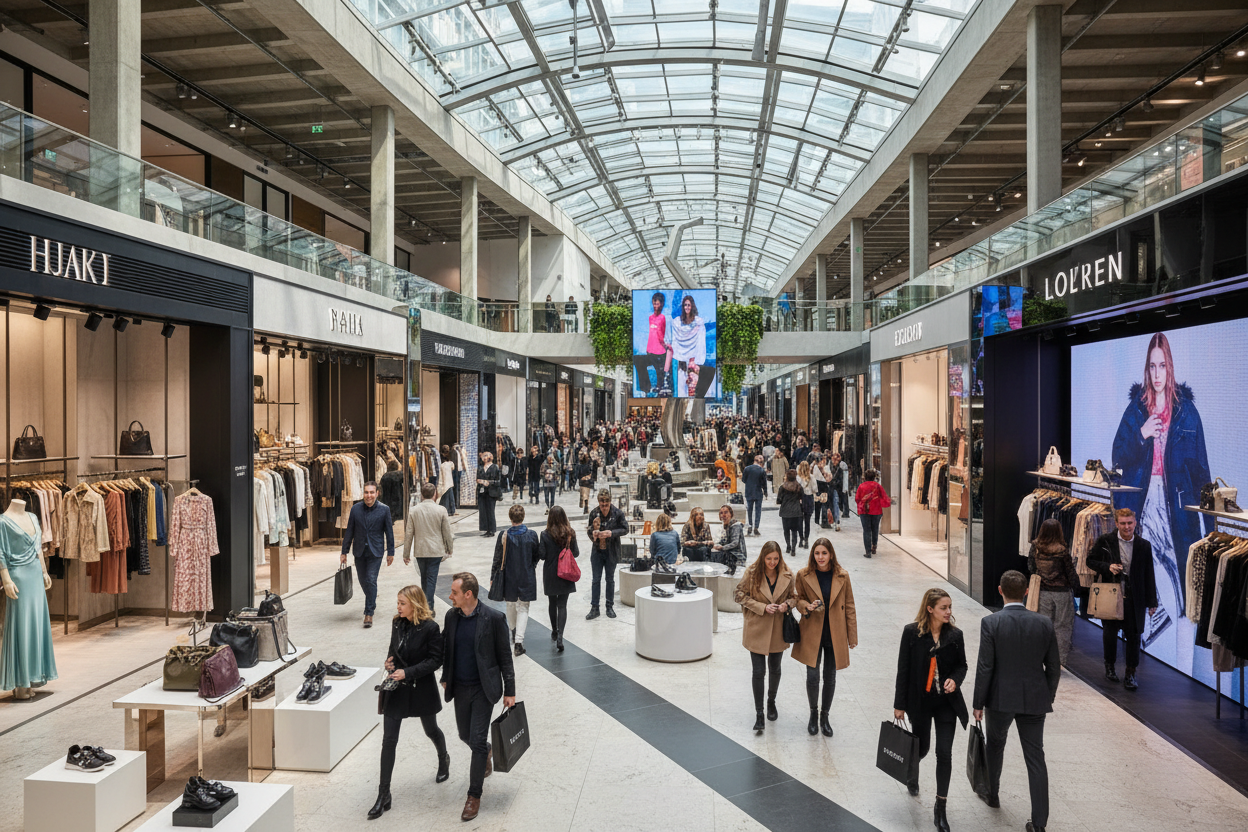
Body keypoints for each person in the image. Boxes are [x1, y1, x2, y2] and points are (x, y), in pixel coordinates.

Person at [1111, 331, 1209, 651]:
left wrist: (1211, 531)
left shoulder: (1186, 412)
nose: (1156, 374)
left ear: (1170, 367)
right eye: (1151, 367)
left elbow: (1201, 471)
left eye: (1162, 366)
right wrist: (1142, 433)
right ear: (1146, 369)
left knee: (1182, 584)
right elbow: (1118, 455)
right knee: (1139, 571)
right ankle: (1141, 638)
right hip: (1142, 500)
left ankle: (1181, 659)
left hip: (1177, 507)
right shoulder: (1137, 409)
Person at [972, 570, 1061, 832]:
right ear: (1025, 592)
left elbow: (985, 666)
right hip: (1035, 699)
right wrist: (1047, 695)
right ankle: (1040, 823)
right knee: (1036, 757)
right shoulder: (1044, 623)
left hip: (999, 699)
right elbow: (1054, 668)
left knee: (995, 746)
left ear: (1000, 591)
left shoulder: (992, 623)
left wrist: (978, 702)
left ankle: (992, 793)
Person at [369, 585, 450, 820]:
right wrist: (389, 662)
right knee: (388, 741)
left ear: (415, 604)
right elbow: (393, 648)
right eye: (398, 602)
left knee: (431, 729)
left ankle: (443, 758)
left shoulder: (431, 628)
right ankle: (383, 794)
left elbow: (435, 661)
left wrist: (408, 672)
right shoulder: (397, 622)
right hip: (397, 689)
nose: (398, 607)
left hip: (421, 688)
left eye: (402, 603)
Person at [440, 573, 516, 822]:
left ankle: (474, 796)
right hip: (460, 688)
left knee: (476, 738)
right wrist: (445, 675)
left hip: (484, 689)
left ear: (468, 594)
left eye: (454, 592)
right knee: (466, 735)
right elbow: (446, 648)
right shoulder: (452, 616)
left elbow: (505, 657)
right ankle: (486, 751)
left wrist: (510, 691)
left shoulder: (494, 618)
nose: (450, 596)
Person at [894, 588, 969, 831]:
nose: (948, 612)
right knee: (922, 747)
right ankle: (912, 774)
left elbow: (962, 666)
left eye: (950, 607)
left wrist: (955, 680)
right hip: (921, 703)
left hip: (947, 703)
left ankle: (940, 807)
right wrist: (899, 705)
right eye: (943, 608)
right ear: (930, 609)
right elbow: (903, 670)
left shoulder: (955, 636)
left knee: (944, 753)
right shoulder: (911, 633)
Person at [1087, 508, 1159, 690]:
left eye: (1130, 523)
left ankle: (1130, 673)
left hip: (1136, 599)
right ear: (1117, 524)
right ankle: (1109, 666)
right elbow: (1090, 561)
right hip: (1112, 595)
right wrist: (1107, 566)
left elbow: (1149, 574)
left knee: (1134, 636)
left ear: (1135, 523)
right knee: (1110, 634)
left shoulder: (1144, 545)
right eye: (1123, 523)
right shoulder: (1106, 541)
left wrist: (1152, 602)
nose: (1127, 527)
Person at [792, 538, 857, 737]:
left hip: (834, 633)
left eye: (824, 553)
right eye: (817, 553)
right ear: (813, 554)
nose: (820, 557)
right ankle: (813, 713)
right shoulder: (803, 575)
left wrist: (852, 636)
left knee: (830, 677)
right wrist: (806, 606)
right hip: (812, 631)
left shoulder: (842, 576)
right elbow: (798, 599)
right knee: (812, 676)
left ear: (831, 554)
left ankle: (825, 716)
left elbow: (850, 606)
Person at [734, 541, 796, 732]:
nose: (772, 563)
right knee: (758, 672)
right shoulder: (752, 573)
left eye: (776, 559)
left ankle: (771, 701)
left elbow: (795, 597)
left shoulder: (787, 574)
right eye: (769, 559)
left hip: (778, 629)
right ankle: (759, 713)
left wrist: (786, 605)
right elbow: (738, 594)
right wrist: (762, 607)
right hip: (757, 628)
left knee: (775, 669)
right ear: (763, 557)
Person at [340, 481, 395, 629]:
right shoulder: (355, 509)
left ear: (377, 493)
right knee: (364, 581)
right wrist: (344, 551)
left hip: (376, 551)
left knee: (371, 579)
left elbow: (389, 532)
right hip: (359, 551)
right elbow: (349, 531)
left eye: (372, 492)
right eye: (366, 492)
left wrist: (391, 552)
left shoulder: (384, 510)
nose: (369, 495)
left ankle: (369, 612)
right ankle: (372, 597)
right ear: (363, 493)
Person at [1027, 518, 1081, 666]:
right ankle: (1058, 661)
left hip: (1042, 592)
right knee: (1062, 627)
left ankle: (1040, 658)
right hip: (1062, 593)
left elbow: (1031, 567)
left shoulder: (1035, 546)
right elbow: (1070, 572)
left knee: (1043, 626)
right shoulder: (1062, 550)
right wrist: (1077, 589)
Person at [403, 483, 454, 606]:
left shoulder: (414, 510)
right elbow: (447, 531)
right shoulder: (441, 510)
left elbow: (409, 533)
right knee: (431, 579)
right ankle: (429, 606)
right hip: (436, 550)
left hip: (420, 550)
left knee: (424, 578)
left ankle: (425, 605)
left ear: (422, 494)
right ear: (435, 494)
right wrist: (449, 547)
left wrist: (406, 553)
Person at [537, 506, 578, 652]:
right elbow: (576, 553)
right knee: (562, 605)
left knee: (552, 602)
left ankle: (554, 630)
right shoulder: (570, 533)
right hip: (566, 573)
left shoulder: (545, 534)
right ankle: (561, 636)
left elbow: (541, 555)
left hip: (550, 573)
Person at [585, 489, 627, 620]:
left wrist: (611, 533)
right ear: (598, 503)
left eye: (606, 505)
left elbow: (625, 528)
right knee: (595, 580)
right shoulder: (593, 513)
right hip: (597, 551)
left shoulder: (618, 513)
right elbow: (589, 529)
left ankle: (609, 606)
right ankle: (594, 608)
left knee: (610, 579)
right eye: (602, 505)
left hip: (611, 551)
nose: (604, 508)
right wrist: (593, 534)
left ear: (610, 503)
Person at [666, 294, 711, 397]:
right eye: (685, 305)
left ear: (692, 306)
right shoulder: (678, 321)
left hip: (693, 357)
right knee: (681, 383)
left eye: (689, 305)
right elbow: (675, 331)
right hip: (682, 358)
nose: (687, 307)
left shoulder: (698, 321)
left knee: (692, 381)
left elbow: (701, 335)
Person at [636, 291, 670, 396]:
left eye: (657, 303)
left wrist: (664, 345)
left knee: (659, 370)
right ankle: (646, 387)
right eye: (654, 303)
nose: (655, 306)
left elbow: (662, 334)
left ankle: (660, 386)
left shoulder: (663, 318)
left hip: (659, 349)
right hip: (650, 348)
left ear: (662, 304)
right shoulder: (650, 318)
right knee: (644, 364)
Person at [855, 469, 888, 558]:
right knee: (875, 529)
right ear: (874, 477)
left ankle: (868, 552)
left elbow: (857, 499)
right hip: (876, 511)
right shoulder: (877, 486)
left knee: (867, 530)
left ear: (865, 477)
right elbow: (884, 496)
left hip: (864, 511)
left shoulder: (861, 486)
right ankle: (874, 546)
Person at [777, 470, 804, 555]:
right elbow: (802, 497)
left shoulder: (782, 487)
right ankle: (793, 548)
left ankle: (788, 546)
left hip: (785, 511)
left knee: (786, 530)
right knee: (794, 531)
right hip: (796, 511)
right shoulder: (799, 487)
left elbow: (779, 500)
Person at [713, 504, 746, 573]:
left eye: (726, 512)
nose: (723, 515)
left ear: (731, 514)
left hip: (736, 555)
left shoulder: (735, 526)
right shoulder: (727, 526)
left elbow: (735, 543)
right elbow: (723, 541)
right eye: (721, 513)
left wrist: (722, 547)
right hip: (729, 552)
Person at [742, 454, 768, 536]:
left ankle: (750, 525)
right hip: (758, 492)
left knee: (749, 509)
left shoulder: (747, 469)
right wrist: (765, 492)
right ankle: (756, 527)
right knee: (758, 510)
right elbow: (764, 483)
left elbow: (743, 480)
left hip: (749, 492)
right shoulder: (761, 471)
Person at [796, 460, 816, 549]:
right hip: (809, 499)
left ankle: (801, 539)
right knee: (807, 522)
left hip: (799, 499)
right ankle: (806, 540)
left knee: (799, 521)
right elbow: (815, 489)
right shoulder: (811, 477)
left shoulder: (797, 478)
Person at [437, 445, 457, 516]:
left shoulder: (442, 465)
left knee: (445, 496)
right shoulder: (450, 463)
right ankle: (451, 510)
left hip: (444, 481)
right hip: (449, 481)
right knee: (449, 496)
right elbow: (453, 467)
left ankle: (447, 511)